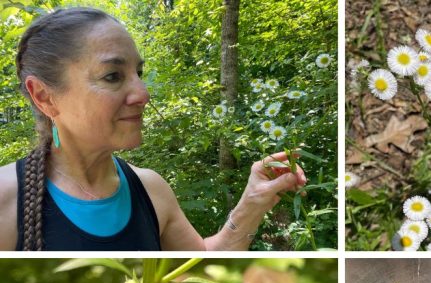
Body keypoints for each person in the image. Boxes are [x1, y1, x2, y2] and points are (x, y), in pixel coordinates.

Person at [0, 6, 307, 251]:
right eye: (112, 76)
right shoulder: (7, 198)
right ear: (45, 97)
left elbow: (199, 266)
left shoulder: (150, 188)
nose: (143, 93)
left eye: (139, 73)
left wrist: (252, 203)